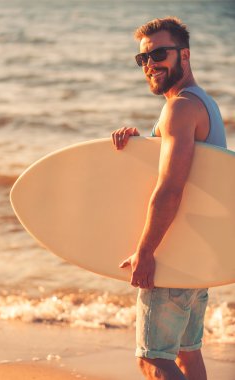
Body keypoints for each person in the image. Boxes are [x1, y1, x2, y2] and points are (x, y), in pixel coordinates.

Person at [111, 17, 226, 380]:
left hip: (171, 254)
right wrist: (140, 145)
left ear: (185, 55)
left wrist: (145, 252)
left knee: (152, 360)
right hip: (196, 257)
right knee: (186, 356)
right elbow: (190, 174)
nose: (150, 64)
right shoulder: (204, 103)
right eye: (143, 58)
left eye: (159, 53)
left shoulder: (179, 109)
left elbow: (170, 188)